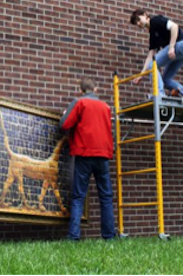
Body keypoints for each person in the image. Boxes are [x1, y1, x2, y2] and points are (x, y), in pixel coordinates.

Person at [59, 77, 116, 241]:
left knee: (78, 196)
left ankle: (74, 236)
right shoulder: (105, 107)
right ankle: (109, 236)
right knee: (105, 196)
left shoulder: (79, 102)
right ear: (96, 89)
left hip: (84, 154)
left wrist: (65, 115)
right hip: (103, 155)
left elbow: (64, 125)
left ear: (81, 90)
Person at [129, 9, 183, 99]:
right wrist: (141, 74)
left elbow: (174, 26)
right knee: (166, 80)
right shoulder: (152, 34)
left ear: (146, 15)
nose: (138, 24)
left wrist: (171, 47)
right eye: (136, 23)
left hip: (181, 45)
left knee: (152, 65)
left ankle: (159, 94)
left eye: (138, 20)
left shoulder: (155, 21)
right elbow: (150, 55)